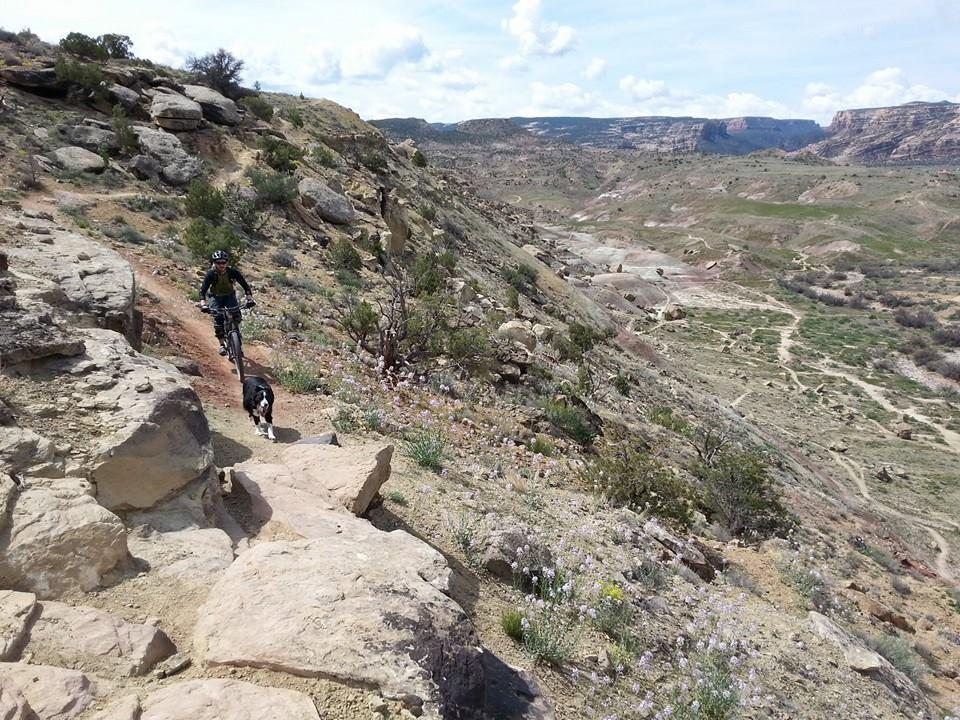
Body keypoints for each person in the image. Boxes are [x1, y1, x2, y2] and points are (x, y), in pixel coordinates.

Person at [198, 250, 254, 356]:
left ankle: (236, 339)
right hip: (215, 297)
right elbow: (203, 290)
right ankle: (222, 345)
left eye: (223, 262)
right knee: (218, 319)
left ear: (227, 263)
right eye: (218, 263)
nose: (221, 265)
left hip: (229, 295)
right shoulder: (211, 274)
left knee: (236, 315)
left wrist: (249, 299)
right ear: (214, 263)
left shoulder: (232, 272)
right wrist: (203, 304)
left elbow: (245, 285)